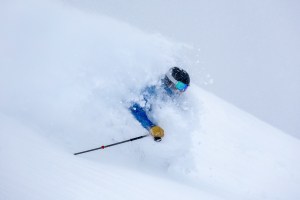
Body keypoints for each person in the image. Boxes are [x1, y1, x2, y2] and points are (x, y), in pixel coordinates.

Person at [129, 67, 190, 142]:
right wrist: (151, 126)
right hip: (136, 126)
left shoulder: (174, 94)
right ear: (170, 81)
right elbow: (135, 108)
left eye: (185, 88)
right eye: (180, 86)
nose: (182, 91)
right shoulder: (154, 89)